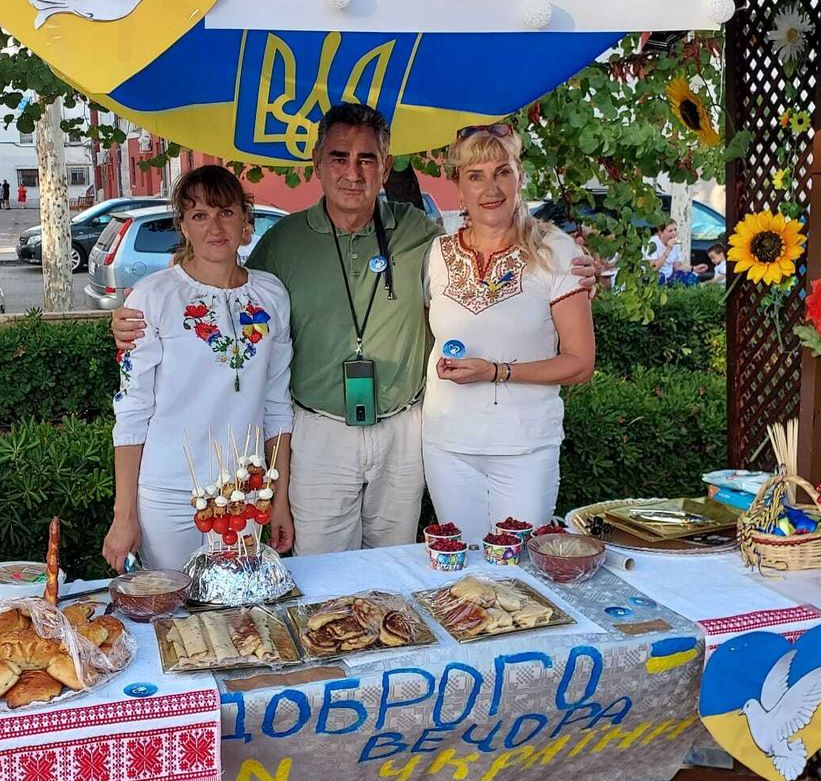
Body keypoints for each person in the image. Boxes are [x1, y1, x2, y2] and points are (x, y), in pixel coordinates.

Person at [112, 104, 598, 554]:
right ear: (318, 164)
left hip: (404, 431)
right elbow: (225, 286)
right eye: (340, 157)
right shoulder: (281, 244)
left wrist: (575, 271)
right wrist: (138, 316)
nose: (353, 171)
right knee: (324, 576)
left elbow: (497, 263)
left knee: (393, 574)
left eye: (368, 159)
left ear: (385, 169)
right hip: (319, 434)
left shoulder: (421, 235)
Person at [104, 165, 294, 571]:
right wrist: (124, 515)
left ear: (246, 219)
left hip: (244, 492)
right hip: (170, 492)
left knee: (237, 617)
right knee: (173, 615)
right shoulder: (152, 297)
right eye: (200, 215)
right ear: (183, 226)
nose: (215, 227)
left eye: (226, 212)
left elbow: (277, 406)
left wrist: (279, 500)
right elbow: (132, 411)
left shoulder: (271, 294)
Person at [423, 127, 596, 537]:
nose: (491, 188)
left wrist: (497, 371)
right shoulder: (437, 254)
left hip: (525, 447)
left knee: (519, 572)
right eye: (475, 175)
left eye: (502, 172)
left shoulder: (557, 252)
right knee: (460, 566)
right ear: (458, 187)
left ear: (520, 176)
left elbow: (579, 363)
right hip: (448, 444)